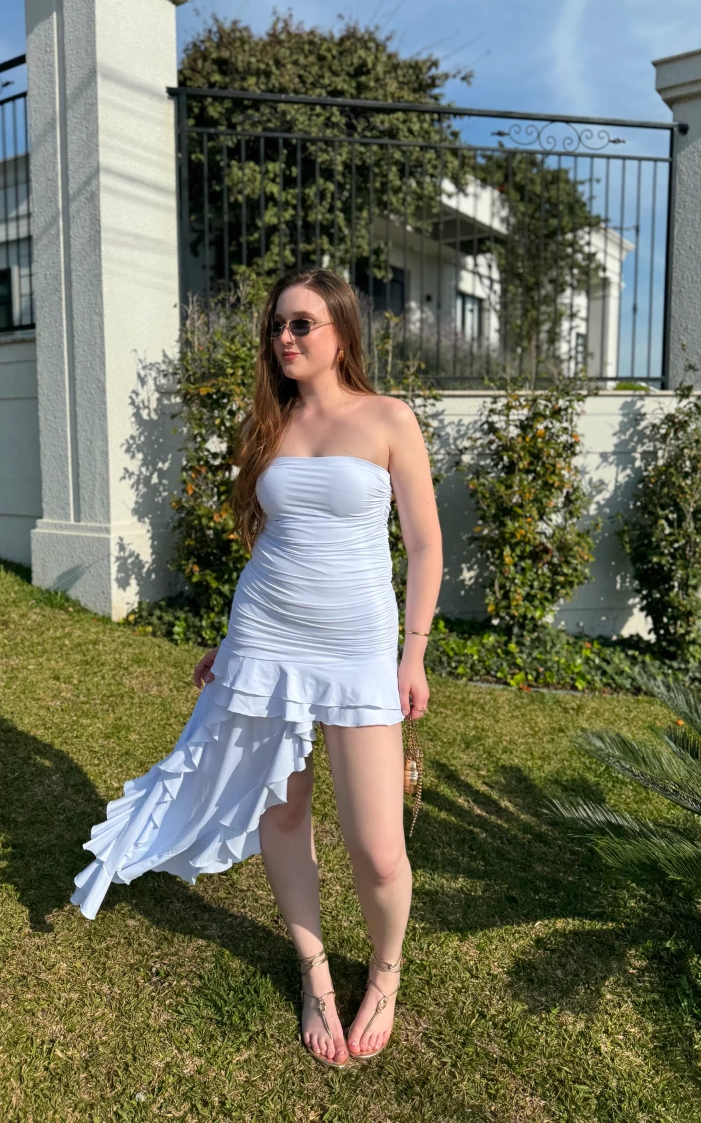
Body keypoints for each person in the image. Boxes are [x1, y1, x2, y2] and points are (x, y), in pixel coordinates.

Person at [70, 267, 443, 1070]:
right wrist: (233, 641)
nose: (284, 337)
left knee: (378, 847)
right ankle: (315, 971)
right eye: (276, 325)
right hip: (266, 637)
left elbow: (424, 545)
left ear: (341, 330)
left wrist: (413, 654)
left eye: (302, 323)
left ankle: (385, 971)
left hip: (359, 651)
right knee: (283, 811)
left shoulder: (388, 418)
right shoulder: (269, 424)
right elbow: (272, 546)